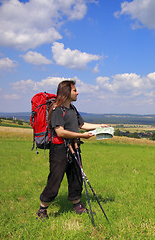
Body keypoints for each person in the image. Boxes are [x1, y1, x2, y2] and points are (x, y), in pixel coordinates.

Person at [36, 79, 106, 220]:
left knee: (76, 177)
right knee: (55, 179)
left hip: (74, 148)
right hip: (59, 150)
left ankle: (77, 204)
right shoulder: (56, 110)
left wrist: (100, 126)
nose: (77, 92)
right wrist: (82, 136)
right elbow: (60, 132)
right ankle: (42, 209)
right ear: (67, 92)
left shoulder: (72, 109)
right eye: (75, 90)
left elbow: (82, 124)